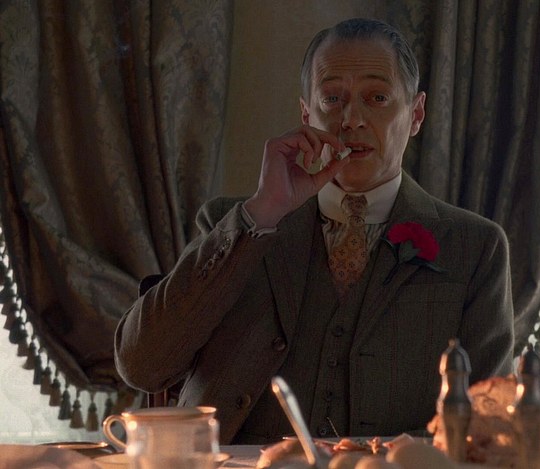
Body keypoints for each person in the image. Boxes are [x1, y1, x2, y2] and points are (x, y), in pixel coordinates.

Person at [114, 17, 514, 445]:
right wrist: (260, 215)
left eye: (377, 98)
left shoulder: (475, 247)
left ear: (415, 114)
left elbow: (483, 423)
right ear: (307, 114)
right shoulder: (233, 223)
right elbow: (142, 367)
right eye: (332, 99)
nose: (352, 119)